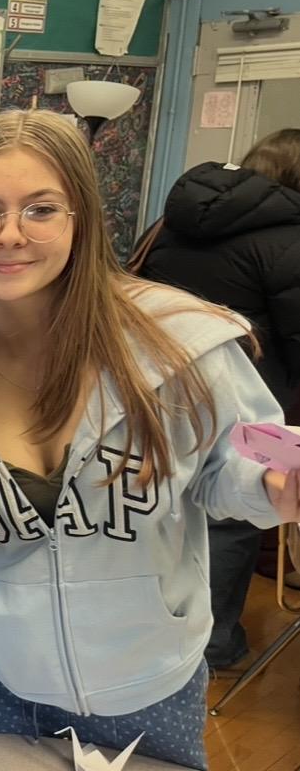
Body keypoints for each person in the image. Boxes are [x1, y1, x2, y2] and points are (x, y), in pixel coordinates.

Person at [0, 110, 300, 770]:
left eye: (41, 209)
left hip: (146, 688)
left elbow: (235, 469)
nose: (10, 234)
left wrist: (274, 484)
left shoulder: (176, 342)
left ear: (81, 222)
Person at [132, 128, 300, 669]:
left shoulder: (170, 221)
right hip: (245, 397)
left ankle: (153, 627)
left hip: (151, 388)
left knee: (162, 505)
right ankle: (213, 644)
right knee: (230, 521)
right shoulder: (290, 241)